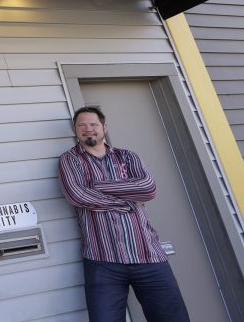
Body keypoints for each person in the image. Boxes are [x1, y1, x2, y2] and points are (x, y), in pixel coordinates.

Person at [58, 106, 189, 322]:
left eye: (93, 124)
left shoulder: (127, 157)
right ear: (75, 130)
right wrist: (124, 200)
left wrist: (97, 185)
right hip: (102, 261)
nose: (88, 129)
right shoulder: (69, 160)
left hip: (148, 256)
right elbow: (77, 196)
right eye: (81, 125)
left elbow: (148, 189)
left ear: (104, 128)